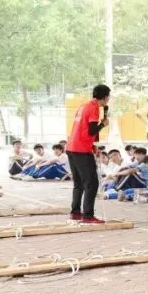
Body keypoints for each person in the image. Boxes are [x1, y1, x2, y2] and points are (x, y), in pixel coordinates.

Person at [66, 84, 110, 223]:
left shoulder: (83, 106)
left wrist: (91, 145)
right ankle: (88, 216)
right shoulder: (94, 108)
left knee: (78, 183)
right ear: (105, 97)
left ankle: (75, 213)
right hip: (80, 150)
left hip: (72, 147)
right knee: (91, 183)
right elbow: (91, 130)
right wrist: (103, 124)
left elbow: (81, 129)